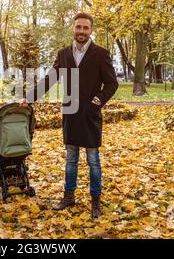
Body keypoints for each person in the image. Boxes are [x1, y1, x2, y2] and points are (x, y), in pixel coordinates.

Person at [20, 12, 118, 219]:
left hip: (91, 115)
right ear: (73, 29)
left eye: (85, 28)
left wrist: (98, 100)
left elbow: (112, 83)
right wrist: (29, 97)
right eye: (78, 27)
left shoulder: (101, 53)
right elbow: (50, 79)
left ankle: (95, 201)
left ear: (91, 30)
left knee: (93, 161)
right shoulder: (64, 53)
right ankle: (68, 196)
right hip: (71, 113)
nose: (81, 31)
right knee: (71, 159)